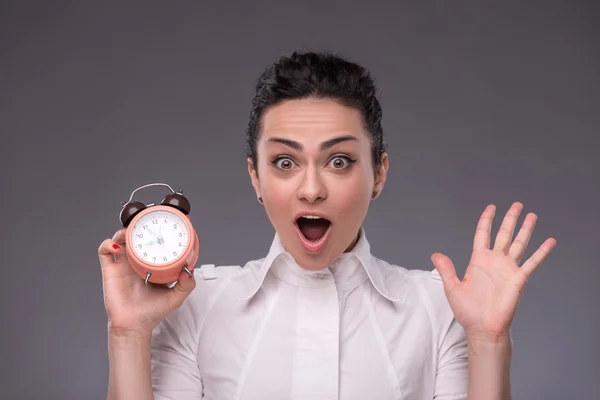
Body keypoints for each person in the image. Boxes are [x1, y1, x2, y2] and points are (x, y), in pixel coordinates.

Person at [98, 51, 556, 400]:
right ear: (256, 178)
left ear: (377, 173)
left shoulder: (441, 309)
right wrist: (129, 334)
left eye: (339, 160)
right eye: (284, 162)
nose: (311, 189)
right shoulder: (195, 307)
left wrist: (488, 339)